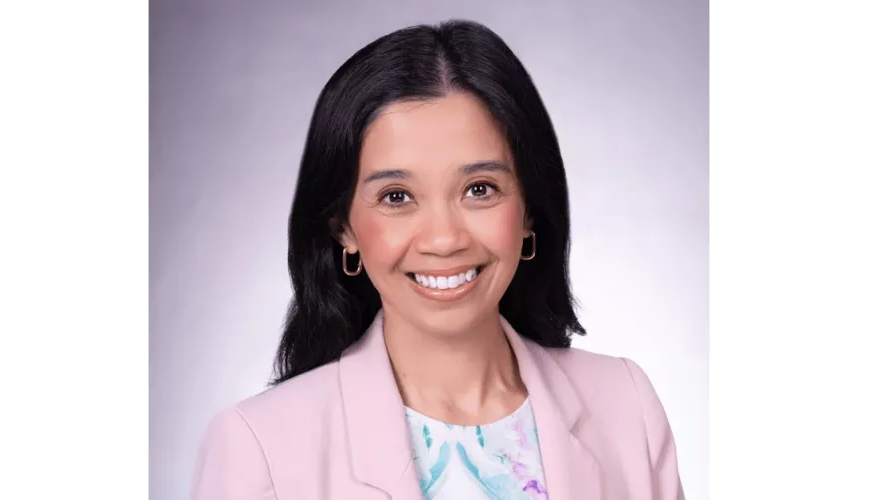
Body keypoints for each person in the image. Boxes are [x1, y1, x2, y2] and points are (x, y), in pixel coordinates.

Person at [189, 19, 684, 500]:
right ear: (344, 227)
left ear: (530, 209)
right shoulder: (260, 448)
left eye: (479, 189)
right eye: (397, 196)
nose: (444, 240)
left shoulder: (625, 404)